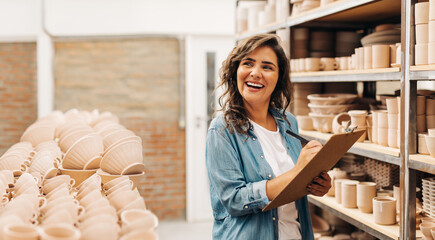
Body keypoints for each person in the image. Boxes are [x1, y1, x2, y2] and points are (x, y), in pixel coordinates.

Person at [205, 34, 332, 240]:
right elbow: (234, 199)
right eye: (248, 63)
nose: (255, 73)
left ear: (278, 78)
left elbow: (292, 187)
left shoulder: (288, 122)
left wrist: (314, 183)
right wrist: (298, 172)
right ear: (236, 71)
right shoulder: (221, 130)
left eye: (267, 67)